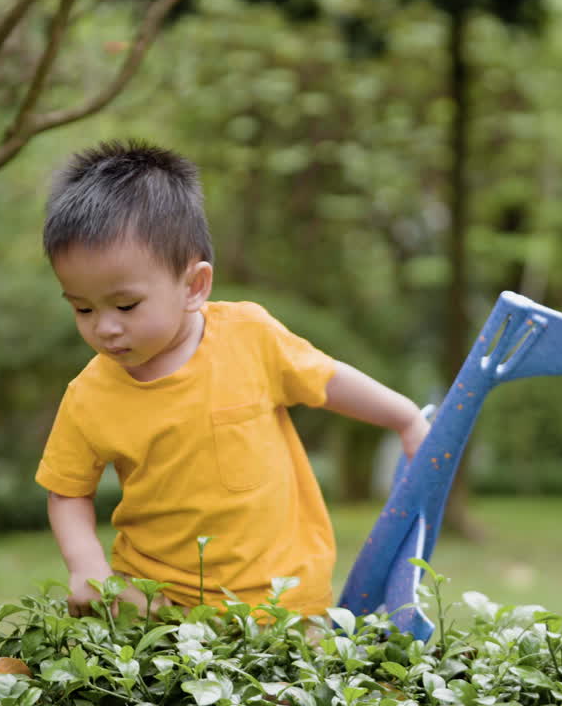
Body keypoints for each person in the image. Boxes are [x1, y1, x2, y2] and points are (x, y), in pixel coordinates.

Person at [36, 140, 430, 617]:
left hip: (284, 601)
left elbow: (327, 380)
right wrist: (87, 567)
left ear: (194, 286)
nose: (105, 327)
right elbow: (67, 490)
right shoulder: (90, 395)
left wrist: (405, 418)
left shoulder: (249, 336)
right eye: (83, 308)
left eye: (125, 305)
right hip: (160, 605)